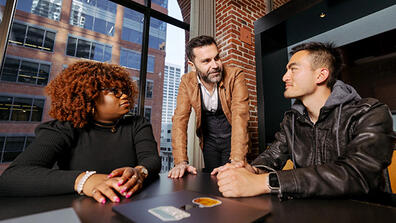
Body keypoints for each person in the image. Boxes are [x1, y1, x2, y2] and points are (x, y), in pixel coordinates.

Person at [216, 42, 395, 199]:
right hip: (311, 211)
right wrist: (251, 170)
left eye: (293, 69)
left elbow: (358, 175)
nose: (284, 77)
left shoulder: (370, 112)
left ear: (320, 75)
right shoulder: (292, 119)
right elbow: (272, 156)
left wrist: (264, 182)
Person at [0, 61, 161, 203]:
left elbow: (151, 159)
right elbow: (12, 177)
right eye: (114, 91)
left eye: (125, 90)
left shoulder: (137, 123)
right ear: (89, 95)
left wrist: (140, 172)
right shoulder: (63, 128)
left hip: (128, 207)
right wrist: (85, 180)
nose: (125, 95)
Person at [168, 35, 250, 178]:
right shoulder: (186, 82)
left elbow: (240, 116)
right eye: (206, 61)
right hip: (209, 141)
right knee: (211, 182)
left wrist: (237, 159)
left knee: (232, 178)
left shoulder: (235, 75)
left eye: (216, 58)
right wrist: (181, 162)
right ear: (192, 65)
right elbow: (179, 120)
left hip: (233, 139)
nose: (215, 65)